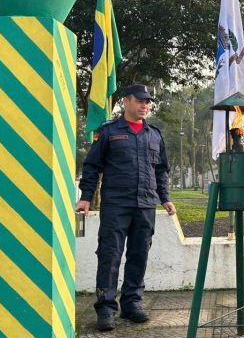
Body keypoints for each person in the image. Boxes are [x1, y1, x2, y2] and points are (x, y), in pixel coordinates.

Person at [75, 84, 176, 331]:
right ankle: (106, 308)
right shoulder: (109, 132)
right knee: (110, 255)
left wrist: (165, 198)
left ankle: (132, 304)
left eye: (148, 102)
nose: (145, 105)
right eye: (140, 101)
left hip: (145, 205)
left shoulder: (154, 134)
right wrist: (86, 196)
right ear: (126, 101)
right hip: (116, 205)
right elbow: (92, 166)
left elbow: (161, 170)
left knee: (139, 254)